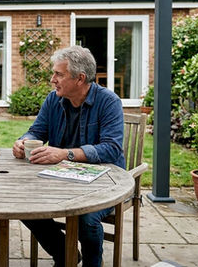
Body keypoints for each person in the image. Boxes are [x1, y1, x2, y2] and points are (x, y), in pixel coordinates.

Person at [12, 45, 124, 267]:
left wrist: (65, 154)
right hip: (58, 178)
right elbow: (37, 130)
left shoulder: (109, 102)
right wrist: (24, 140)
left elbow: (111, 148)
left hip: (103, 182)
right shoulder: (54, 99)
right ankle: (66, 256)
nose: (52, 79)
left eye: (59, 74)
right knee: (24, 207)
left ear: (80, 78)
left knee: (87, 219)